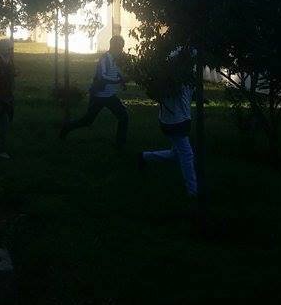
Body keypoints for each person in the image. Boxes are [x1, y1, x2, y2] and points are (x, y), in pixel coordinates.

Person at [139, 50, 198, 197]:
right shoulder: (171, 79)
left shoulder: (185, 77)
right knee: (187, 155)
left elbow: (189, 93)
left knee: (175, 153)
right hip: (175, 122)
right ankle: (193, 191)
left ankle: (144, 157)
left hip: (176, 121)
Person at [59, 35, 129, 148]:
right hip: (99, 96)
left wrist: (122, 81)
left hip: (110, 96)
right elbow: (102, 77)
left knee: (123, 117)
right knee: (87, 121)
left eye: (122, 47)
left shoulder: (117, 59)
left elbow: (116, 72)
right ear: (113, 46)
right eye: (120, 47)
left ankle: (120, 144)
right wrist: (118, 81)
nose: (121, 49)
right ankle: (66, 127)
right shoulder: (105, 58)